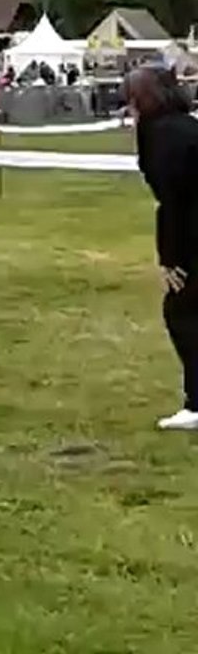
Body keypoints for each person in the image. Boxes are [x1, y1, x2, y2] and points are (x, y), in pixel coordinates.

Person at [127, 66, 198, 429]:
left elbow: (174, 201)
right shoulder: (185, 127)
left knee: (183, 313)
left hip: (192, 231)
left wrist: (171, 258)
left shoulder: (164, 136)